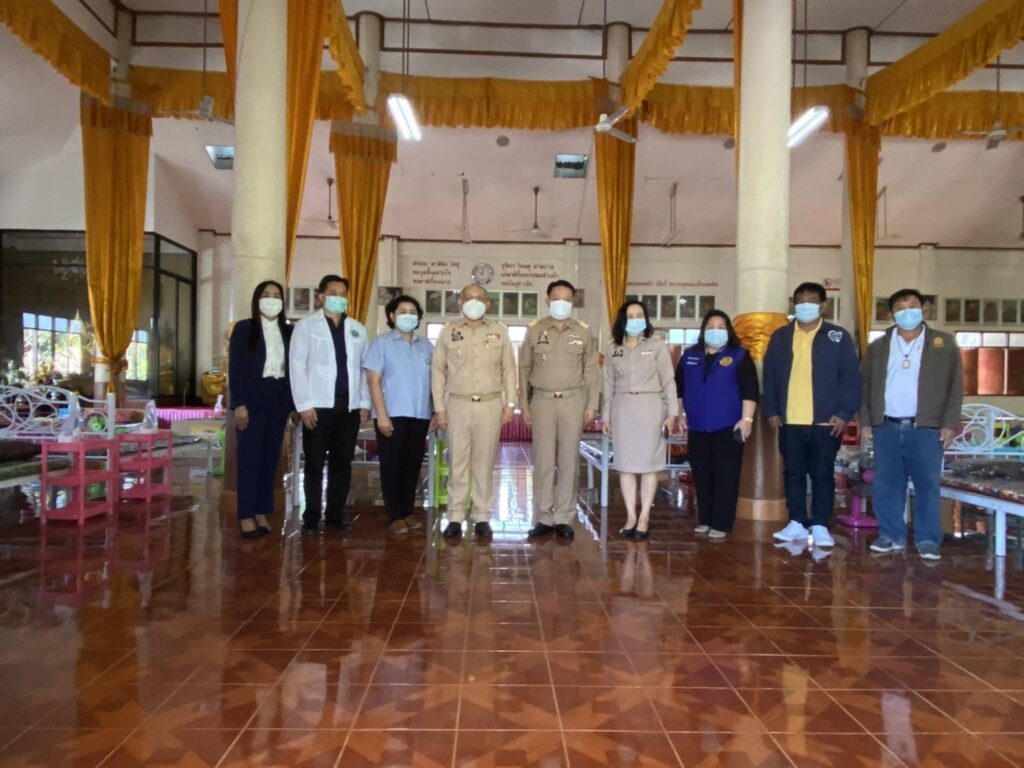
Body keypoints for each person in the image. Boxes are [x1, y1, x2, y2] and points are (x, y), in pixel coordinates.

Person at [861, 289, 963, 561]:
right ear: (892, 313)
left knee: (927, 485)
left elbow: (955, 386)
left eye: (912, 306)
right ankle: (890, 535)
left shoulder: (943, 343)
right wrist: (867, 420)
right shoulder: (879, 346)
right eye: (900, 307)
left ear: (924, 309)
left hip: (927, 428)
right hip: (887, 425)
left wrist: (949, 424)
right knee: (886, 484)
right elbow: (865, 385)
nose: (907, 312)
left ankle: (927, 539)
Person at [763, 282, 860, 548]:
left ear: (823, 305)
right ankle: (796, 521)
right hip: (790, 420)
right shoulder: (781, 336)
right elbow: (769, 376)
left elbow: (851, 378)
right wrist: (771, 410)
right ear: (794, 305)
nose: (805, 305)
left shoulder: (837, 337)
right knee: (793, 474)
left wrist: (844, 413)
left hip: (826, 422)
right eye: (800, 301)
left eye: (812, 301)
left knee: (822, 474)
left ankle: (820, 524)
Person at [432, 283, 517, 541]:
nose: (474, 302)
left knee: (484, 463)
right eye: (468, 297)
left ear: (488, 303)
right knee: (457, 462)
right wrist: (439, 407)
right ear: (460, 302)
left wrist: (510, 404)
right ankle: (455, 516)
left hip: (490, 404)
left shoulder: (499, 332)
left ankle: (482, 516)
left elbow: (509, 369)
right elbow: (438, 371)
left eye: (480, 298)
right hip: (457, 404)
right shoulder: (448, 331)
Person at [290, 275, 370, 536]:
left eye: (343, 294)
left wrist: (364, 402)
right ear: (321, 297)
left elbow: (364, 369)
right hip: (317, 406)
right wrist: (304, 405)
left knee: (342, 463)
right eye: (333, 293)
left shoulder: (357, 329)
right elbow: (297, 366)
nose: (339, 298)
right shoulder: (306, 327)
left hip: (348, 407)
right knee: (314, 462)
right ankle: (311, 518)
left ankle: (336, 515)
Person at [520, 280, 600, 542]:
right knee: (543, 461)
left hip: (572, 401)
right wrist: (524, 405)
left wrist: (592, 404)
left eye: (567, 299)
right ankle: (543, 517)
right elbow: (524, 369)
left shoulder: (584, 332)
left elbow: (591, 370)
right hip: (542, 400)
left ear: (573, 302)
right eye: (556, 298)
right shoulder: (535, 330)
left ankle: (564, 517)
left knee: (568, 461)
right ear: (547, 301)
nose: (561, 303)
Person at [676, 310, 759, 540]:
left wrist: (747, 420)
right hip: (697, 426)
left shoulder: (739, 355)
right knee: (702, 475)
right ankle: (705, 519)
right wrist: (679, 414)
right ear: (703, 330)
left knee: (726, 476)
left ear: (729, 331)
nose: (715, 331)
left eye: (721, 327)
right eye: (710, 327)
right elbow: (679, 388)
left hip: (728, 426)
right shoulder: (690, 355)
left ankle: (722, 523)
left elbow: (750, 391)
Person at [602, 300, 679, 539]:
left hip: (650, 408)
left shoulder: (656, 345)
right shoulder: (613, 348)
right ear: (623, 320)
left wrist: (672, 413)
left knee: (648, 467)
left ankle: (644, 516)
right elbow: (608, 384)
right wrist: (606, 416)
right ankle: (631, 516)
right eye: (631, 315)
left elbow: (668, 380)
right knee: (625, 466)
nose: (635, 320)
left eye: (639, 315)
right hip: (622, 409)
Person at [363, 295, 433, 535]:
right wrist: (381, 415)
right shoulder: (381, 343)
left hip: (420, 414)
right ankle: (394, 515)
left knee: (412, 465)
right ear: (392, 316)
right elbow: (373, 381)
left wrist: (434, 411)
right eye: (402, 311)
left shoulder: (426, 346)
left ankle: (407, 511)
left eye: (413, 312)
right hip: (391, 415)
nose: (408, 316)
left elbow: (434, 381)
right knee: (392, 465)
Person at [228, 280, 293, 539]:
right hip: (252, 399)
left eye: (276, 295)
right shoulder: (244, 329)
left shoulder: (288, 331)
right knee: (249, 458)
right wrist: (239, 404)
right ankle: (245, 514)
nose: (271, 299)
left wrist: (292, 405)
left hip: (278, 399)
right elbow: (235, 368)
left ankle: (261, 510)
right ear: (257, 300)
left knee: (269, 459)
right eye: (266, 295)